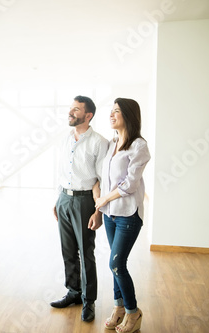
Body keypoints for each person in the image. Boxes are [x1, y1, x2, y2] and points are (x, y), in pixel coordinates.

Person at [94, 98, 150, 333]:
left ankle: (132, 312)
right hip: (109, 214)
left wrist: (103, 200)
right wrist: (99, 205)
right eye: (111, 111)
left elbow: (129, 185)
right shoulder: (111, 143)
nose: (111, 115)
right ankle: (118, 309)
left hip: (128, 214)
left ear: (128, 115)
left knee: (116, 263)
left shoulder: (139, 146)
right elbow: (99, 177)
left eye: (116, 111)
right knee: (116, 265)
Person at [51, 95, 108, 322]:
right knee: (68, 251)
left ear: (88, 115)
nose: (71, 112)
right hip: (64, 199)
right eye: (70, 108)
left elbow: (102, 180)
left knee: (86, 253)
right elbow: (61, 171)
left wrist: (98, 211)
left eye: (76, 109)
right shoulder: (65, 139)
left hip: (86, 202)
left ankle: (89, 301)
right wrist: (57, 199)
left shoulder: (99, 142)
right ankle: (73, 292)